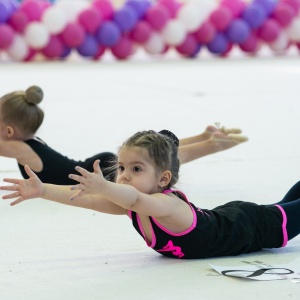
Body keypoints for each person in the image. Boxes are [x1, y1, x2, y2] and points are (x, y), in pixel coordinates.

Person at [1, 129, 298, 259]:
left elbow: (133, 199)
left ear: (163, 179)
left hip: (256, 228)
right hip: (232, 216)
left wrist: (106, 185)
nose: (126, 175)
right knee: (288, 203)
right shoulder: (133, 204)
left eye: (137, 169)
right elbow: (83, 197)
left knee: (288, 210)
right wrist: (42, 190)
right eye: (122, 167)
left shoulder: (164, 204)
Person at [0, 85, 248, 184]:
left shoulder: (21, 148)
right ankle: (203, 135)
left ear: (9, 131)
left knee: (156, 162)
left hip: (100, 173)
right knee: (152, 154)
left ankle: (211, 144)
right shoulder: (28, 142)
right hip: (94, 166)